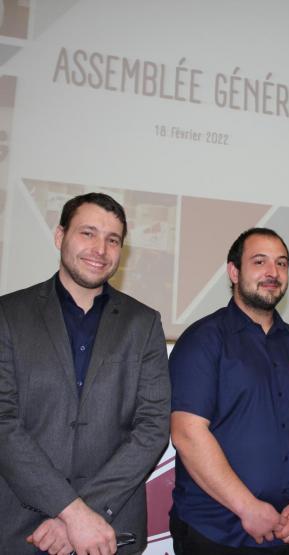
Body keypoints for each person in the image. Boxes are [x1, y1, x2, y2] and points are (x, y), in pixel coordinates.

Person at [0, 192, 170, 555]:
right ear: (60, 236)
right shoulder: (8, 315)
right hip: (22, 528)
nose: (100, 249)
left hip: (110, 527)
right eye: (88, 233)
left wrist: (84, 513)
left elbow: (153, 427)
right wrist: (71, 511)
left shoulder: (144, 324)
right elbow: (3, 422)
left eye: (113, 240)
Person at [169, 227, 289, 554]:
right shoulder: (203, 340)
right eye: (260, 262)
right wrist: (247, 507)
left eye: (282, 264)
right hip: (217, 532)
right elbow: (187, 433)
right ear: (234, 271)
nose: (273, 273)